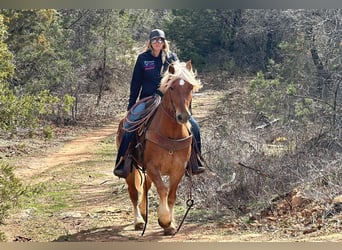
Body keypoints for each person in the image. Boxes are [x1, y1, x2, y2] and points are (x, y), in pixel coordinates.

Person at [113, 29, 205, 178]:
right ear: (150, 42)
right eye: (155, 40)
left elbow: (182, 80)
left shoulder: (171, 57)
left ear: (164, 42)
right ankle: (123, 161)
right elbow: (135, 83)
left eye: (160, 40)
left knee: (194, 126)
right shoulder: (143, 58)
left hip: (169, 99)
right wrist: (131, 106)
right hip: (147, 99)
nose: (158, 42)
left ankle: (195, 161)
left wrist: (186, 105)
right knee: (128, 125)